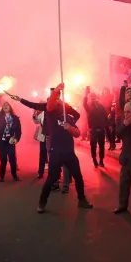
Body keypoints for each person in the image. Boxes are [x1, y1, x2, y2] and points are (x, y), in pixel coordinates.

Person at [30, 84, 93, 213]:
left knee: (78, 176)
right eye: (56, 101)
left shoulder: (68, 118)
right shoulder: (51, 114)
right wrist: (56, 91)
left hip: (69, 153)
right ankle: (42, 202)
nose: (58, 103)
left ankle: (82, 199)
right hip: (56, 153)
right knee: (51, 177)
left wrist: (69, 128)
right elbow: (50, 105)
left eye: (60, 101)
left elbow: (78, 133)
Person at [0, 96, 22, 182]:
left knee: (12, 159)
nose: (6, 106)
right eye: (4, 105)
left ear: (10, 107)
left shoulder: (15, 118)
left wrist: (16, 139)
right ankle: (2, 176)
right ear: (2, 108)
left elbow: (18, 130)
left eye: (8, 105)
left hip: (10, 141)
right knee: (3, 159)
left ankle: (14, 175)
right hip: (1, 141)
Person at [83, 88, 108, 168]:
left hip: (101, 130)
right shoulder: (89, 107)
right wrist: (86, 95)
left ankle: (101, 160)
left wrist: (108, 125)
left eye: (94, 97)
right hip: (93, 130)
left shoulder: (101, 106)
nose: (93, 98)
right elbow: (84, 104)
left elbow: (105, 116)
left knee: (101, 146)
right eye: (91, 97)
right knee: (93, 145)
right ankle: (94, 159)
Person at [33, 107, 48, 178]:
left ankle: (55, 174)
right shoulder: (42, 113)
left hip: (52, 137)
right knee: (42, 154)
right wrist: (34, 115)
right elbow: (37, 121)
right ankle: (40, 172)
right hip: (43, 137)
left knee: (54, 156)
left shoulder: (54, 113)